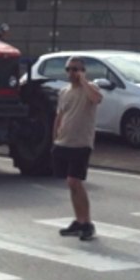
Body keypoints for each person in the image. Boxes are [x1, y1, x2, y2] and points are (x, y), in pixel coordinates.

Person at [53, 56, 102, 241]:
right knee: (70, 183)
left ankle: (87, 222)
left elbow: (97, 99)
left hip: (81, 143)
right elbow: (60, 116)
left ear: (82, 71)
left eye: (76, 69)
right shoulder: (64, 92)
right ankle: (79, 221)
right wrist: (54, 138)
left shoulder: (90, 89)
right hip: (64, 141)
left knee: (75, 181)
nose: (71, 73)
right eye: (69, 69)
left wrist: (84, 81)